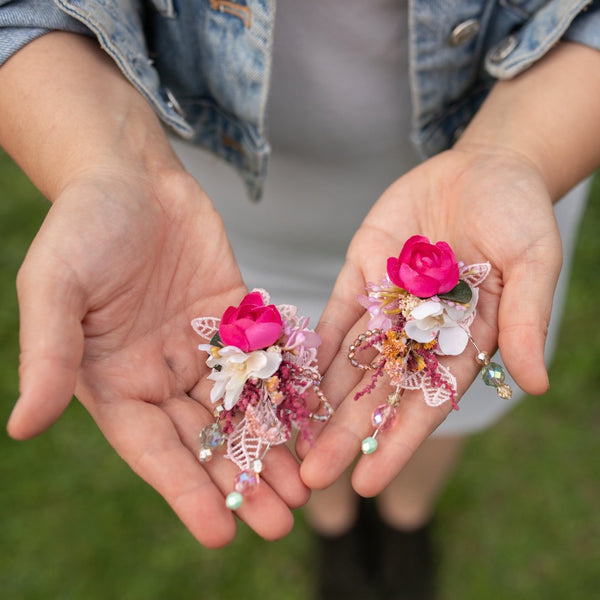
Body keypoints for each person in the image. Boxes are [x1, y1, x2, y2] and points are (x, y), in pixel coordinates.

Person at [1, 0, 599, 598]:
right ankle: (334, 525)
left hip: (498, 166)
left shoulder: (468, 262)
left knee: (437, 401)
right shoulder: (188, 261)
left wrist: (515, 153)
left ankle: (407, 521)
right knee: (295, 405)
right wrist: (102, 163)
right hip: (215, 214)